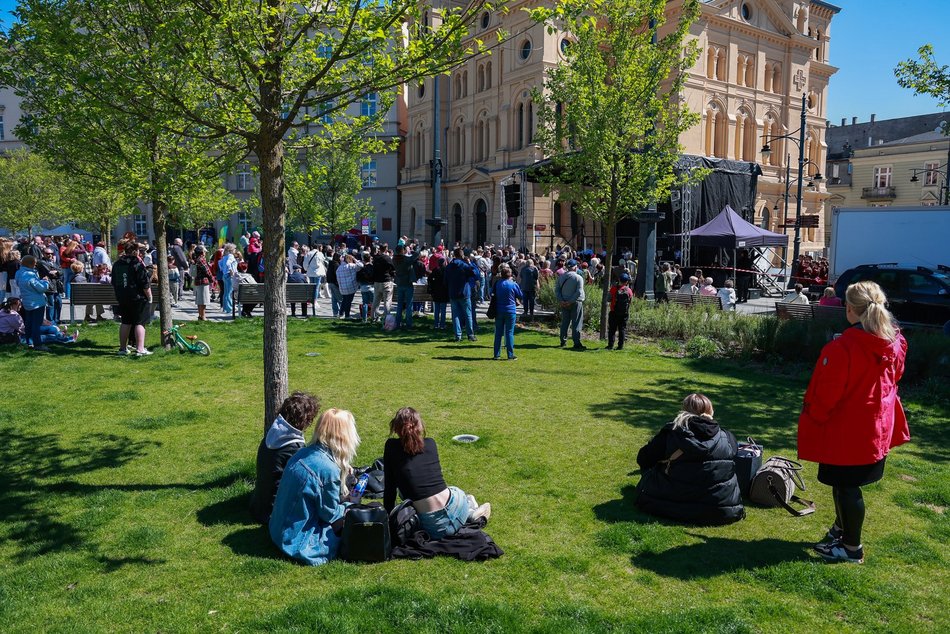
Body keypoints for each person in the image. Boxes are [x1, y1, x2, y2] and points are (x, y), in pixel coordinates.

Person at [798, 281, 908, 564]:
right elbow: (895, 377)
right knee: (843, 483)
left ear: (849, 308)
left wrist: (815, 416)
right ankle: (841, 529)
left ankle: (851, 547)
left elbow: (826, 393)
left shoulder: (843, 347)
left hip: (847, 428)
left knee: (847, 486)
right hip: (874, 426)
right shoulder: (894, 341)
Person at [269, 408, 361, 566]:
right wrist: (350, 503)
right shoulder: (328, 469)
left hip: (278, 530)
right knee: (353, 525)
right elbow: (329, 514)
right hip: (298, 542)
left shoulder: (302, 453)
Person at [635, 393, 745, 525]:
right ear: (711, 411)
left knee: (649, 472)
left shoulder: (673, 433)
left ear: (684, 411)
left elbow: (643, 459)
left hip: (676, 503)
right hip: (723, 509)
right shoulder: (727, 436)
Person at [384, 407, 490, 540]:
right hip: (455, 507)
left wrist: (388, 521)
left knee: (404, 494)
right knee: (454, 491)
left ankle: (469, 511)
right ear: (420, 426)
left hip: (432, 527)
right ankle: (469, 510)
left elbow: (389, 490)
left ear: (396, 428)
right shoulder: (430, 444)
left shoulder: (391, 447)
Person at [249, 391, 321, 524]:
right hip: (273, 513)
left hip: (258, 506)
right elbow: (306, 482)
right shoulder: (294, 447)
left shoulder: (273, 434)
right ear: (305, 420)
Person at [111, 239, 153, 356]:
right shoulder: (137, 264)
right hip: (138, 297)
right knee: (140, 322)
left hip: (123, 297)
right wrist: (149, 296)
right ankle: (140, 349)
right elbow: (144, 283)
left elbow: (114, 281)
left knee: (125, 322)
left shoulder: (117, 264)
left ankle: (123, 349)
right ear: (135, 251)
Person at [15, 255, 51, 351]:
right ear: (30, 264)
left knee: (29, 323)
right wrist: (45, 282)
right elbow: (40, 288)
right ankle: (38, 344)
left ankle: (29, 342)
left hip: (27, 301)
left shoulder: (19, 273)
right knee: (36, 324)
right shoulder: (29, 275)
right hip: (36, 303)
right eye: (34, 264)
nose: (35, 266)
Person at [444, 248, 478, 342]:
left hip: (453, 292)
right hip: (464, 292)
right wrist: (470, 263)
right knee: (468, 314)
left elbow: (445, 281)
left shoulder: (449, 266)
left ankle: (458, 335)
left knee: (455, 315)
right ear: (462, 255)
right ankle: (470, 334)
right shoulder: (464, 266)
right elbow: (475, 274)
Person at [492, 263, 523, 360]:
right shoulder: (513, 284)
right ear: (510, 275)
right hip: (510, 310)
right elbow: (520, 295)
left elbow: (491, 293)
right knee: (509, 332)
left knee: (498, 333)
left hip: (499, 310)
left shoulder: (497, 284)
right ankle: (510, 354)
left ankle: (496, 354)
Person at [555, 259, 585, 350]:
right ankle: (576, 342)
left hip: (564, 302)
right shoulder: (578, 277)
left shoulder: (561, 277)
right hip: (575, 302)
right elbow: (579, 292)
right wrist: (570, 301)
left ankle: (563, 341)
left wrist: (561, 300)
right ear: (575, 267)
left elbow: (557, 290)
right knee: (576, 323)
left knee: (565, 323)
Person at [393, 243, 421, 329]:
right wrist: (414, 249)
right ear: (402, 251)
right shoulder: (406, 259)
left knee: (399, 305)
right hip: (408, 283)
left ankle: (398, 323)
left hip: (399, 283)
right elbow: (416, 255)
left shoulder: (394, 259)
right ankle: (409, 324)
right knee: (409, 305)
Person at [607, 273, 634, 351]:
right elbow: (630, 301)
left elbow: (608, 299)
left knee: (612, 329)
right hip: (624, 313)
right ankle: (620, 346)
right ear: (626, 282)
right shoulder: (628, 290)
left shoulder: (614, 288)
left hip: (613, 311)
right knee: (622, 329)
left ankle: (610, 345)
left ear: (619, 280)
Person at [372, 244, 396, 320]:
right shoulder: (387, 258)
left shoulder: (375, 258)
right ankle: (386, 318)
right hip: (386, 280)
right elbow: (393, 268)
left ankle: (373, 317)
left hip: (377, 281)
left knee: (376, 300)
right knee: (387, 301)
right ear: (386, 249)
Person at [192, 246, 214, 321]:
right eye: (204, 251)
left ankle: (200, 315)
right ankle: (203, 316)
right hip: (203, 281)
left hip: (197, 281)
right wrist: (212, 279)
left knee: (199, 300)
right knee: (203, 300)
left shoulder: (196, 259)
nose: (205, 253)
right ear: (201, 252)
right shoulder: (201, 260)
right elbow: (207, 271)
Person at [427, 255, 449, 330]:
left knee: (437, 309)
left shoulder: (435, 270)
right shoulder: (446, 270)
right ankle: (442, 324)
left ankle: (436, 324)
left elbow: (429, 278)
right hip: (444, 291)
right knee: (443, 310)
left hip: (436, 291)